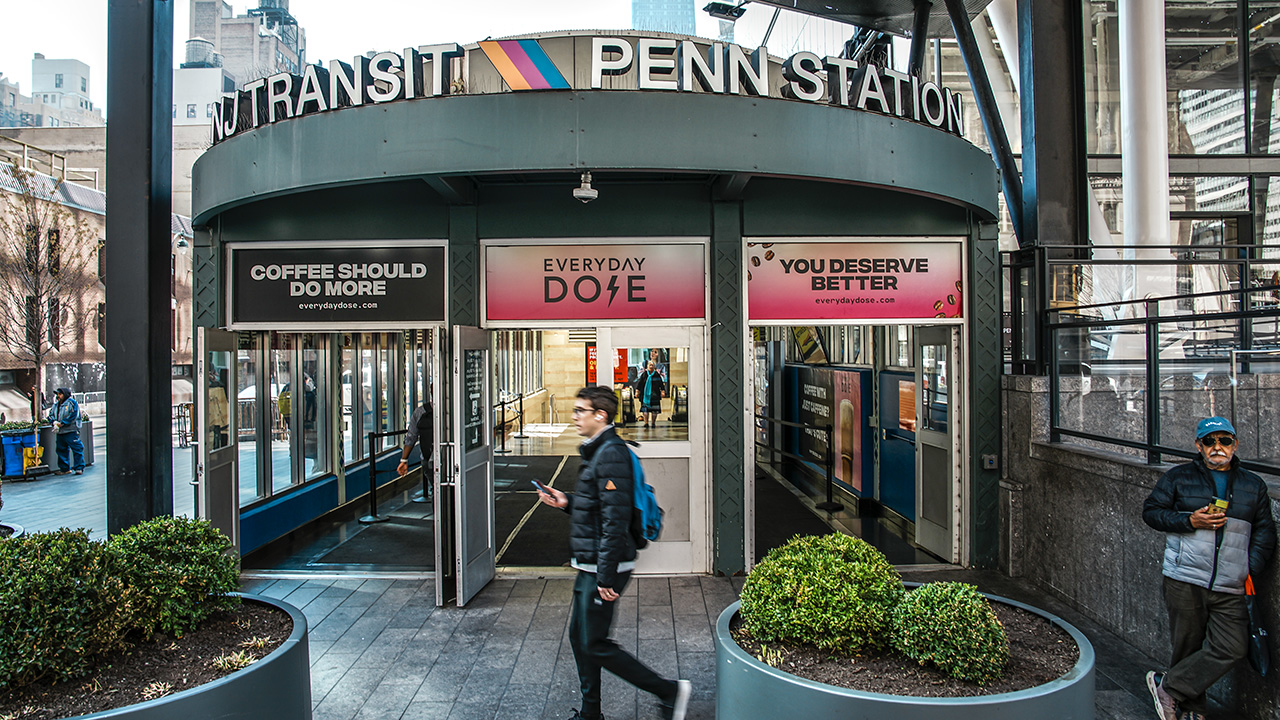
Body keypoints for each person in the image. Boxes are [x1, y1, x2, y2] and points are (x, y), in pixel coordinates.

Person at [535, 386, 690, 720]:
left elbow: (615, 519)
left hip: (605, 565)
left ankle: (669, 691)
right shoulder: (599, 450)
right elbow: (598, 506)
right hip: (591, 562)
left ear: (600, 415)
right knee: (580, 638)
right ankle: (590, 713)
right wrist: (566, 501)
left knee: (594, 643)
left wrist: (605, 575)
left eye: (580, 411)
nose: (575, 417)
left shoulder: (611, 454)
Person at [1142, 416, 1276, 720]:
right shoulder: (1178, 477)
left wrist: (1248, 567)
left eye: (1224, 440)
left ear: (1234, 444)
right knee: (1187, 646)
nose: (1217, 447)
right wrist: (1190, 520)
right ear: (1199, 446)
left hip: (1232, 582)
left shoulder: (1252, 485)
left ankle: (1169, 687)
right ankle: (1193, 711)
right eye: (1209, 441)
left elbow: (1265, 531)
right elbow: (1151, 512)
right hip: (1185, 576)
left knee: (1233, 646)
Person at [397, 400, 434, 500]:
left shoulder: (420, 411)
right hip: (452, 457)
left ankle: (438, 507)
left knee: (436, 489)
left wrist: (404, 460)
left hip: (428, 458)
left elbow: (411, 437)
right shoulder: (455, 408)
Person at [46, 387, 85, 475]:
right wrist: (53, 422)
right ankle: (64, 469)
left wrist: (63, 423)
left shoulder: (72, 403)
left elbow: (73, 415)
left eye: (60, 394)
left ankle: (79, 468)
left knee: (77, 448)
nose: (58, 396)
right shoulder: (56, 405)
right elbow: (50, 415)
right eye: (57, 394)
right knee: (61, 449)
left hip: (71, 430)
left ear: (65, 394)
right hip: (60, 431)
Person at [633, 360, 667, 428]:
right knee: (645, 410)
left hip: (655, 395)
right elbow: (639, 384)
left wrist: (663, 391)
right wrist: (637, 392)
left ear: (654, 367)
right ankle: (646, 423)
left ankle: (653, 423)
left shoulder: (657, 375)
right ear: (647, 366)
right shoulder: (644, 374)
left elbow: (661, 384)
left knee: (654, 411)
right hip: (645, 396)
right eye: (650, 365)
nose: (651, 366)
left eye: (652, 365)